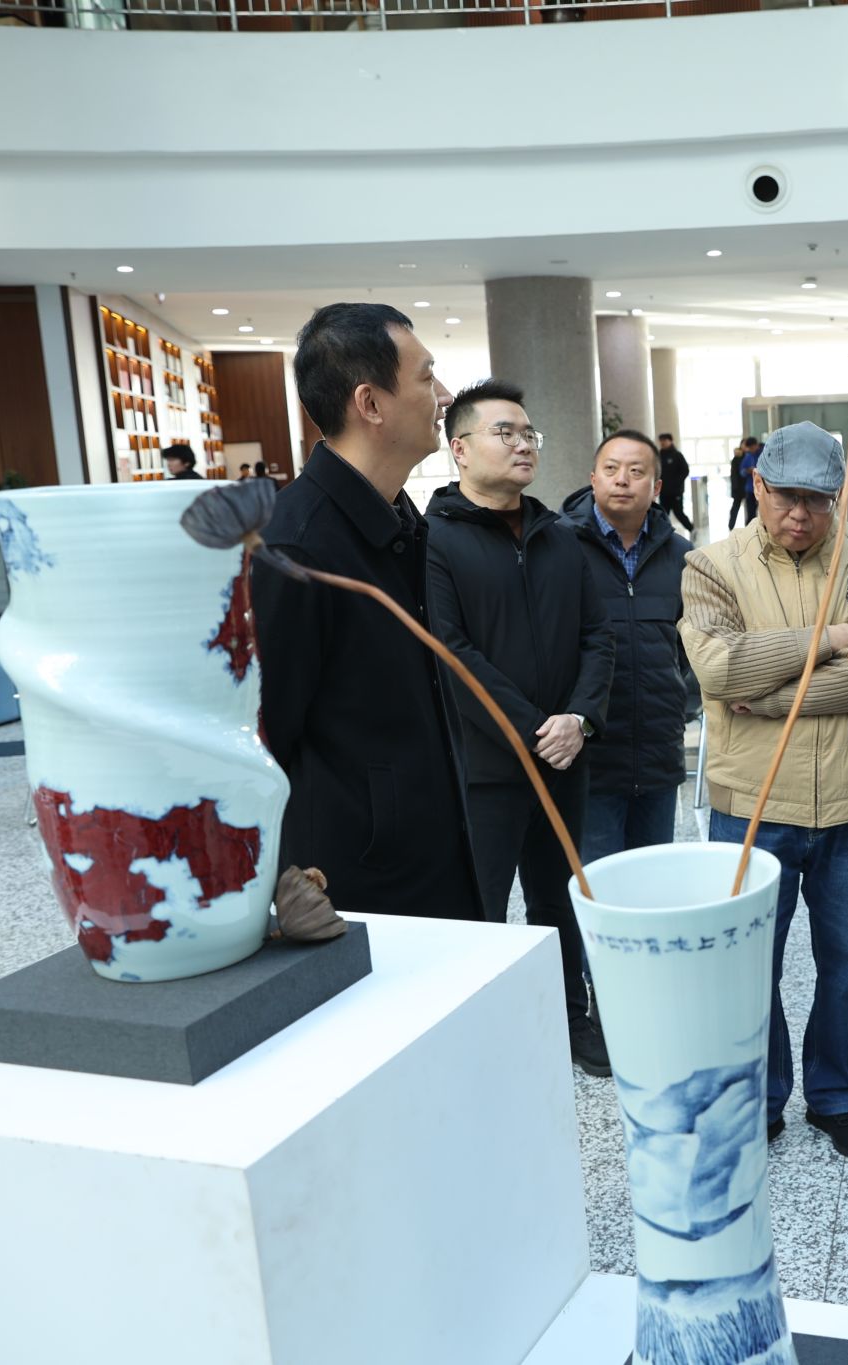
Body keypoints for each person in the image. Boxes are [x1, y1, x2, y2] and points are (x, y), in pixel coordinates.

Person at [680, 422, 848, 1160]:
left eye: (817, 500)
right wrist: (828, 641)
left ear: (838, 494)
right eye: (785, 497)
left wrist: (775, 697)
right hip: (752, 803)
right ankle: (765, 1094)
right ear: (758, 485)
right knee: (751, 966)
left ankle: (837, 1093)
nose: (801, 515)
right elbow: (719, 669)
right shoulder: (712, 566)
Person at [251, 302, 481, 920]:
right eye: (426, 377)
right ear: (370, 403)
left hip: (435, 846)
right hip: (361, 879)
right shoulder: (296, 546)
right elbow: (265, 735)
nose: (444, 396)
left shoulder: (401, 519)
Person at [426, 380, 615, 1075]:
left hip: (566, 758)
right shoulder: (435, 539)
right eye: (504, 432)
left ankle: (570, 1015)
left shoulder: (561, 537)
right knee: (481, 903)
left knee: (559, 896)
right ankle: (482, 1026)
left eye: (528, 432)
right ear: (460, 448)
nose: (523, 443)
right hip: (485, 766)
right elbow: (451, 652)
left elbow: (599, 636)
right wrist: (538, 728)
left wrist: (580, 720)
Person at [558, 430, 693, 864]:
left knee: (653, 883)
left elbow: (691, 648)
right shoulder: (558, 548)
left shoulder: (682, 556)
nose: (622, 480)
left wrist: (678, 702)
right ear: (593, 479)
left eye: (636, 472)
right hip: (590, 759)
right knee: (600, 886)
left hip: (659, 755)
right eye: (611, 469)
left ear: (656, 487)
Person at [655, 431, 694, 532]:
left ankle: (691, 529)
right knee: (663, 514)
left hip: (676, 492)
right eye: (661, 441)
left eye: (665, 440)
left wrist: (676, 483)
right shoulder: (659, 456)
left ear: (670, 441)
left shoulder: (677, 455)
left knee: (678, 513)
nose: (662, 443)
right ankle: (664, 533)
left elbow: (685, 470)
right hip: (663, 491)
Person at [727, 437, 762, 529]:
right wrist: (747, 471)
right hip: (744, 488)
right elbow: (739, 472)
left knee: (757, 511)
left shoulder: (759, 454)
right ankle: (733, 526)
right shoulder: (744, 457)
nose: (748, 449)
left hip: (755, 488)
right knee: (747, 511)